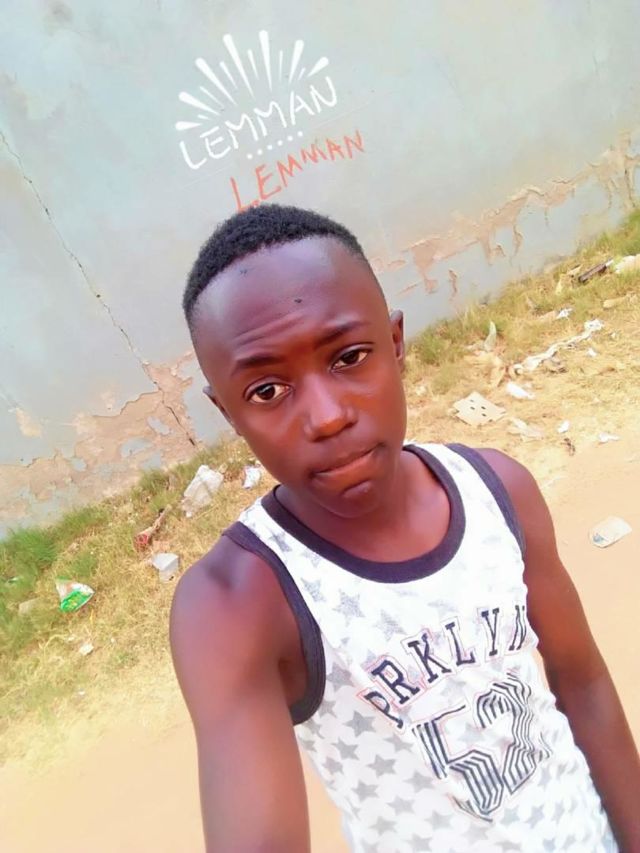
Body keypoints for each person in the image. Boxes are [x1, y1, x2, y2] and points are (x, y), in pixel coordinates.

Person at [171, 204, 639, 853]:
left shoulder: (498, 491)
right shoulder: (239, 602)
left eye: (349, 356)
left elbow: (582, 682)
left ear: (395, 343)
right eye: (268, 391)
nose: (327, 417)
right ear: (227, 412)